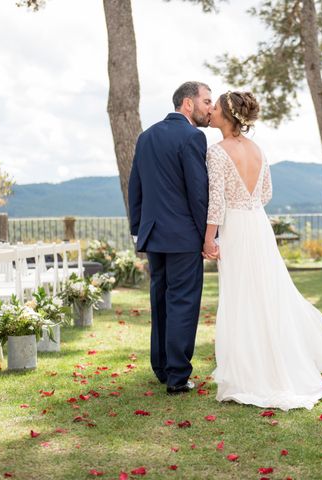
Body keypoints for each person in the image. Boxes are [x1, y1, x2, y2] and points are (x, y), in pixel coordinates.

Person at [204, 91, 322, 410]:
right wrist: (248, 207)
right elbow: (265, 193)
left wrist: (210, 238)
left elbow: (217, 201)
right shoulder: (258, 151)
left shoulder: (217, 152)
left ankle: (250, 370)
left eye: (216, 108)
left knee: (241, 295)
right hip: (258, 225)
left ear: (227, 114)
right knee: (267, 292)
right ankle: (273, 358)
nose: (211, 112)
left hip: (236, 228)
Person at [128, 81, 213, 395]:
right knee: (183, 302)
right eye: (206, 101)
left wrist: (139, 227)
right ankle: (177, 376)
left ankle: (163, 368)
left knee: (160, 301)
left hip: (154, 235)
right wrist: (208, 235)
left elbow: (135, 185)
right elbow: (198, 193)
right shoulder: (193, 136)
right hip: (183, 237)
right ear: (187, 104)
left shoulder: (146, 136)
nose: (209, 107)